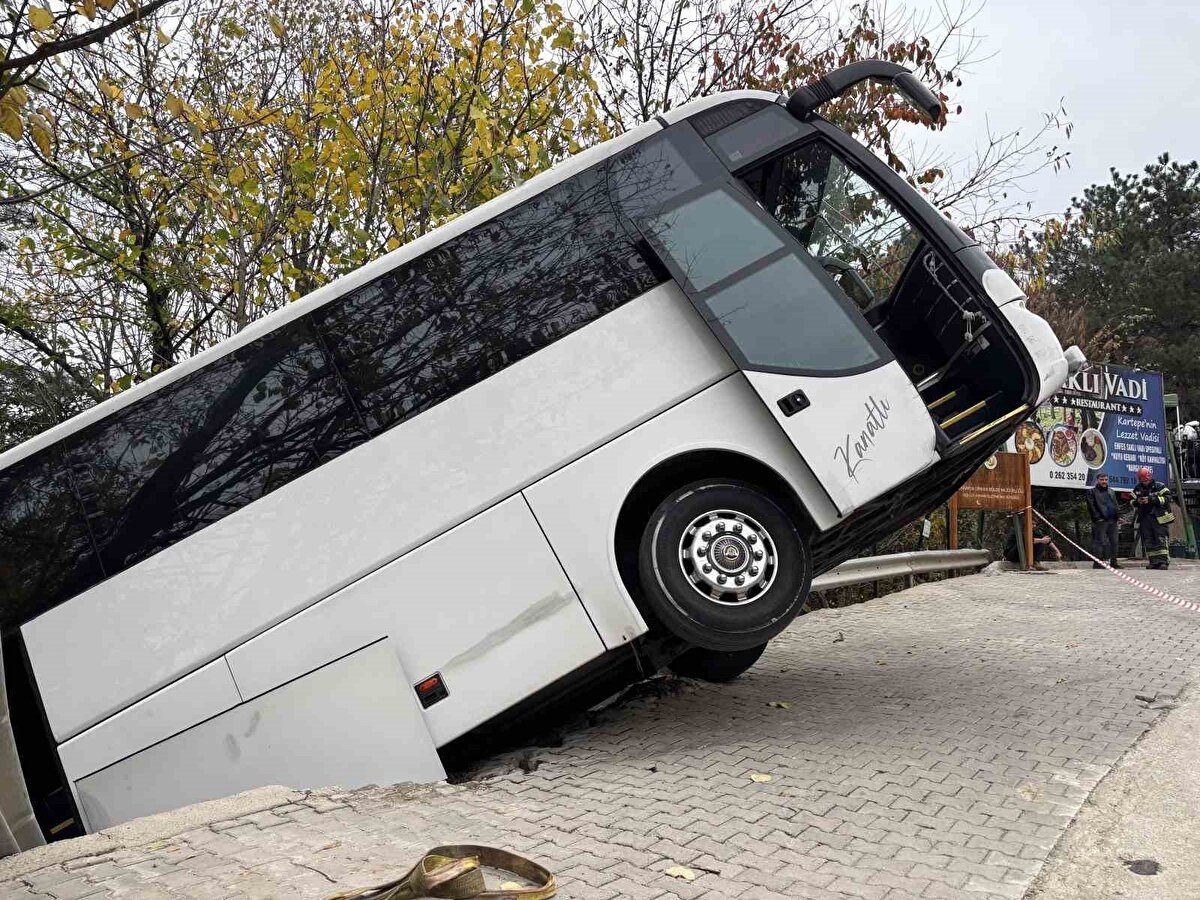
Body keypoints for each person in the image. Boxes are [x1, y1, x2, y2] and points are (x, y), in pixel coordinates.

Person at [1131, 466, 1173, 570]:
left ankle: (1163, 562)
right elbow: (1131, 501)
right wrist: (1138, 502)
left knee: (1161, 539)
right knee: (1148, 540)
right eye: (1142, 480)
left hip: (1159, 517)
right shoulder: (1137, 488)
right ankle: (1153, 562)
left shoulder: (1160, 486)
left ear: (1150, 477)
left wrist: (1151, 499)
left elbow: (1168, 499)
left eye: (1146, 480)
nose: (1144, 482)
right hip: (1145, 517)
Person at [1085, 473, 1122, 569]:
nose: (1104, 481)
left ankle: (1114, 562)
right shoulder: (1092, 492)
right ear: (1097, 480)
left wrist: (1118, 516)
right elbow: (1091, 506)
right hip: (1101, 521)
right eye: (1102, 479)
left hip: (1113, 520)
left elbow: (1115, 504)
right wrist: (1097, 518)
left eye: (1106, 479)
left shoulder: (1111, 491)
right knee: (1099, 542)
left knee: (1115, 542)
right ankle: (1098, 563)